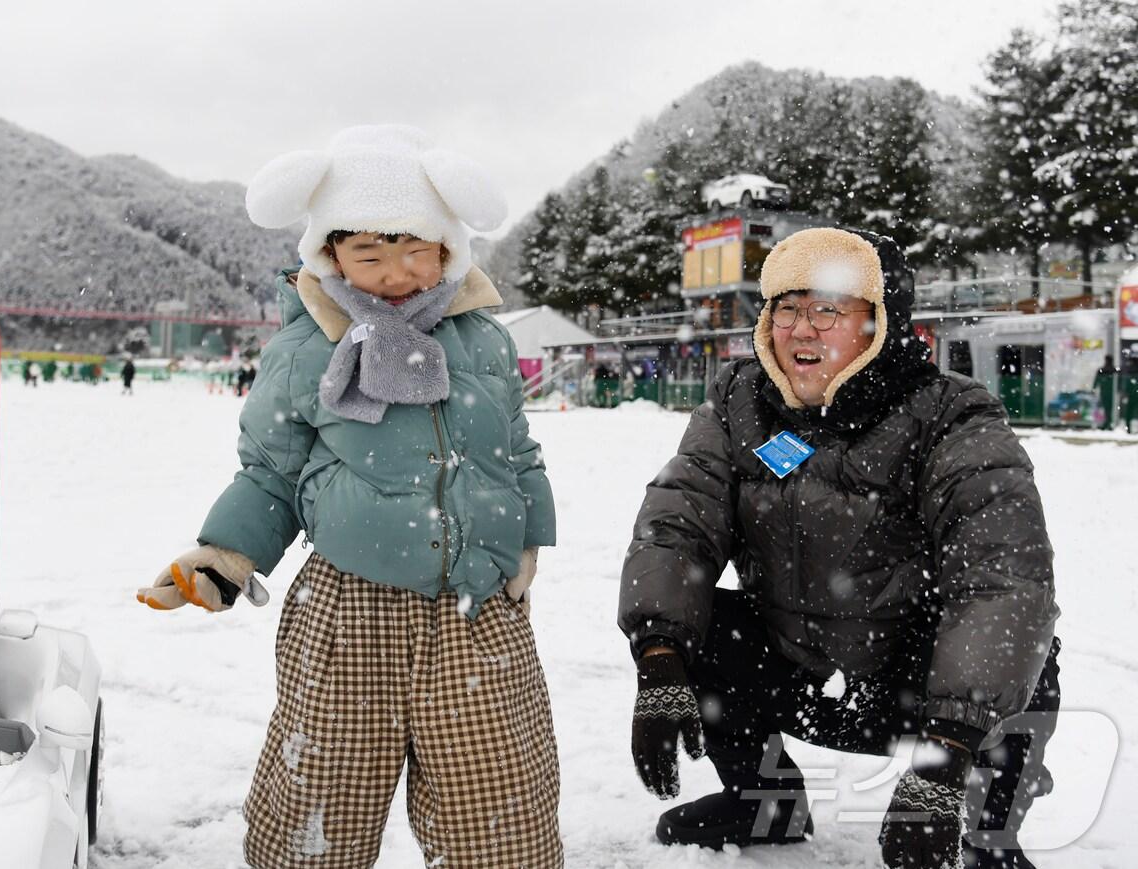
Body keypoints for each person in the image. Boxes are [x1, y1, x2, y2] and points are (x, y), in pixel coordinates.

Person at [136, 125, 560, 868]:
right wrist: (225, 556)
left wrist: (525, 537)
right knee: (319, 811)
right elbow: (270, 471)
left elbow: (514, 449)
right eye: (369, 252)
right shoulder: (306, 349)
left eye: (414, 249)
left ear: (447, 248)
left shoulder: (484, 341)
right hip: (347, 613)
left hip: (478, 607)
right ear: (329, 253)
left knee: (501, 815)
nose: (395, 271)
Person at [618, 228, 1060, 869]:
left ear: (880, 322)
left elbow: (1004, 579)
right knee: (693, 622)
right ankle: (763, 802)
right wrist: (659, 660)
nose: (801, 330)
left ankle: (981, 836)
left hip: (914, 689)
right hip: (798, 670)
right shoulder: (740, 403)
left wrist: (944, 755)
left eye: (826, 310)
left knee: (1024, 653)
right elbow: (676, 526)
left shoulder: (950, 415)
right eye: (786, 310)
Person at [1093, 354, 1119, 430]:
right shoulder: (1114, 370)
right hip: (1111, 392)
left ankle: (1106, 423)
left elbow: (1096, 381)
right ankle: (1108, 423)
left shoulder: (1101, 370)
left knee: (1105, 408)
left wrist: (1094, 388)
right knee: (1109, 408)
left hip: (1104, 392)